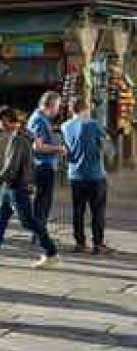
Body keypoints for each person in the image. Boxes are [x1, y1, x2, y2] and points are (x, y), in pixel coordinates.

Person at [0, 106, 59, 268]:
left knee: (28, 222)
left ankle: (51, 253)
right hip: (12, 186)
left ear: (6, 120)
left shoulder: (18, 138)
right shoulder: (23, 134)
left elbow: (11, 168)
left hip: (17, 186)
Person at [61, 98, 112, 255]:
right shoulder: (93, 124)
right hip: (95, 175)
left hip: (75, 175)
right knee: (97, 211)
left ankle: (80, 243)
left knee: (78, 211)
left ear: (72, 110)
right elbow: (108, 147)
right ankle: (98, 244)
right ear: (86, 108)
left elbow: (66, 149)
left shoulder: (65, 126)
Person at [27, 91, 66, 234]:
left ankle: (38, 231)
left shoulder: (40, 118)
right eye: (58, 106)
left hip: (43, 165)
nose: (58, 109)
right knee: (43, 202)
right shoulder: (39, 119)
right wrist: (59, 148)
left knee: (41, 201)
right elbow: (37, 146)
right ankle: (39, 232)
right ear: (51, 105)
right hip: (43, 166)